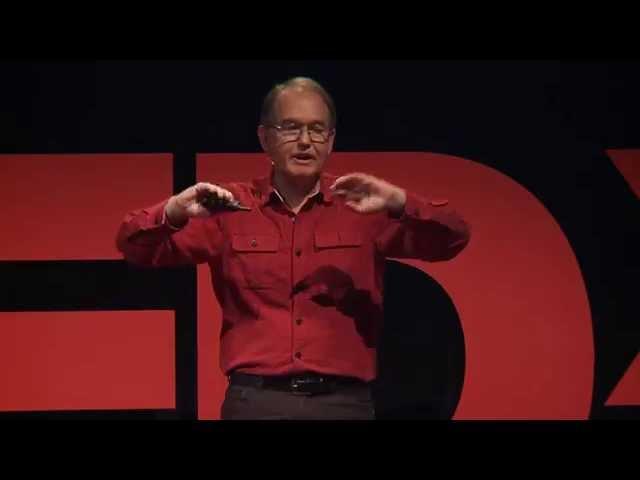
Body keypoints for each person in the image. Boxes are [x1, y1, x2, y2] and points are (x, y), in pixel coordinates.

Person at [116, 77, 471, 420]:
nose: (305, 141)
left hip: (342, 405)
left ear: (330, 141)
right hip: (256, 403)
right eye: (290, 127)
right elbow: (135, 248)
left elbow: (452, 237)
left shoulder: (364, 207)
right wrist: (175, 210)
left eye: (317, 129)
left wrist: (400, 201)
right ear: (264, 138)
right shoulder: (229, 209)